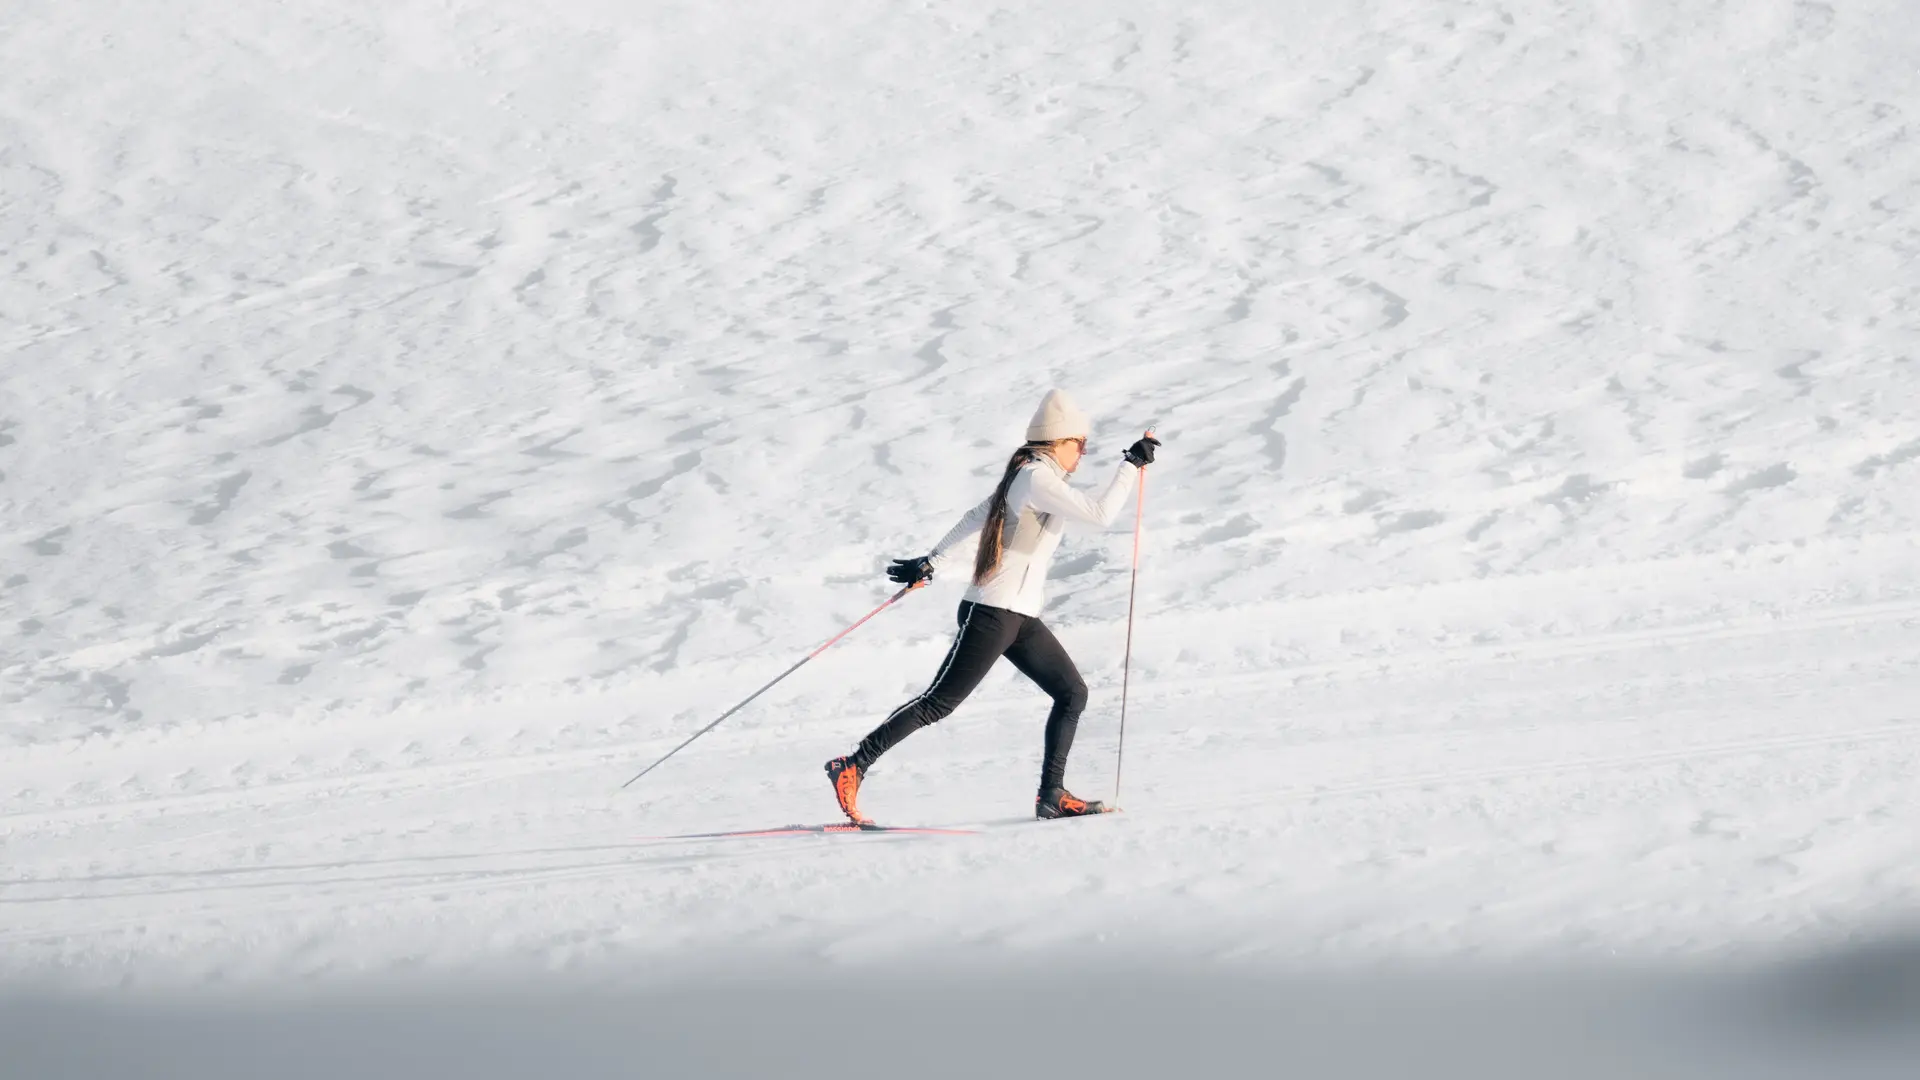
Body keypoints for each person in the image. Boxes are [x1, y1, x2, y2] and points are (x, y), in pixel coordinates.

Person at [824, 389, 1160, 823]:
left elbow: (977, 516)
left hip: (1020, 616)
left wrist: (933, 561)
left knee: (1071, 692)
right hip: (991, 612)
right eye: (1080, 443)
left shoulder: (1038, 478)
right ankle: (853, 765)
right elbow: (1098, 514)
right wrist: (1130, 466)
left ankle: (1052, 795)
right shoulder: (1036, 478)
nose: (1084, 452)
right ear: (1058, 441)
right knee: (937, 703)